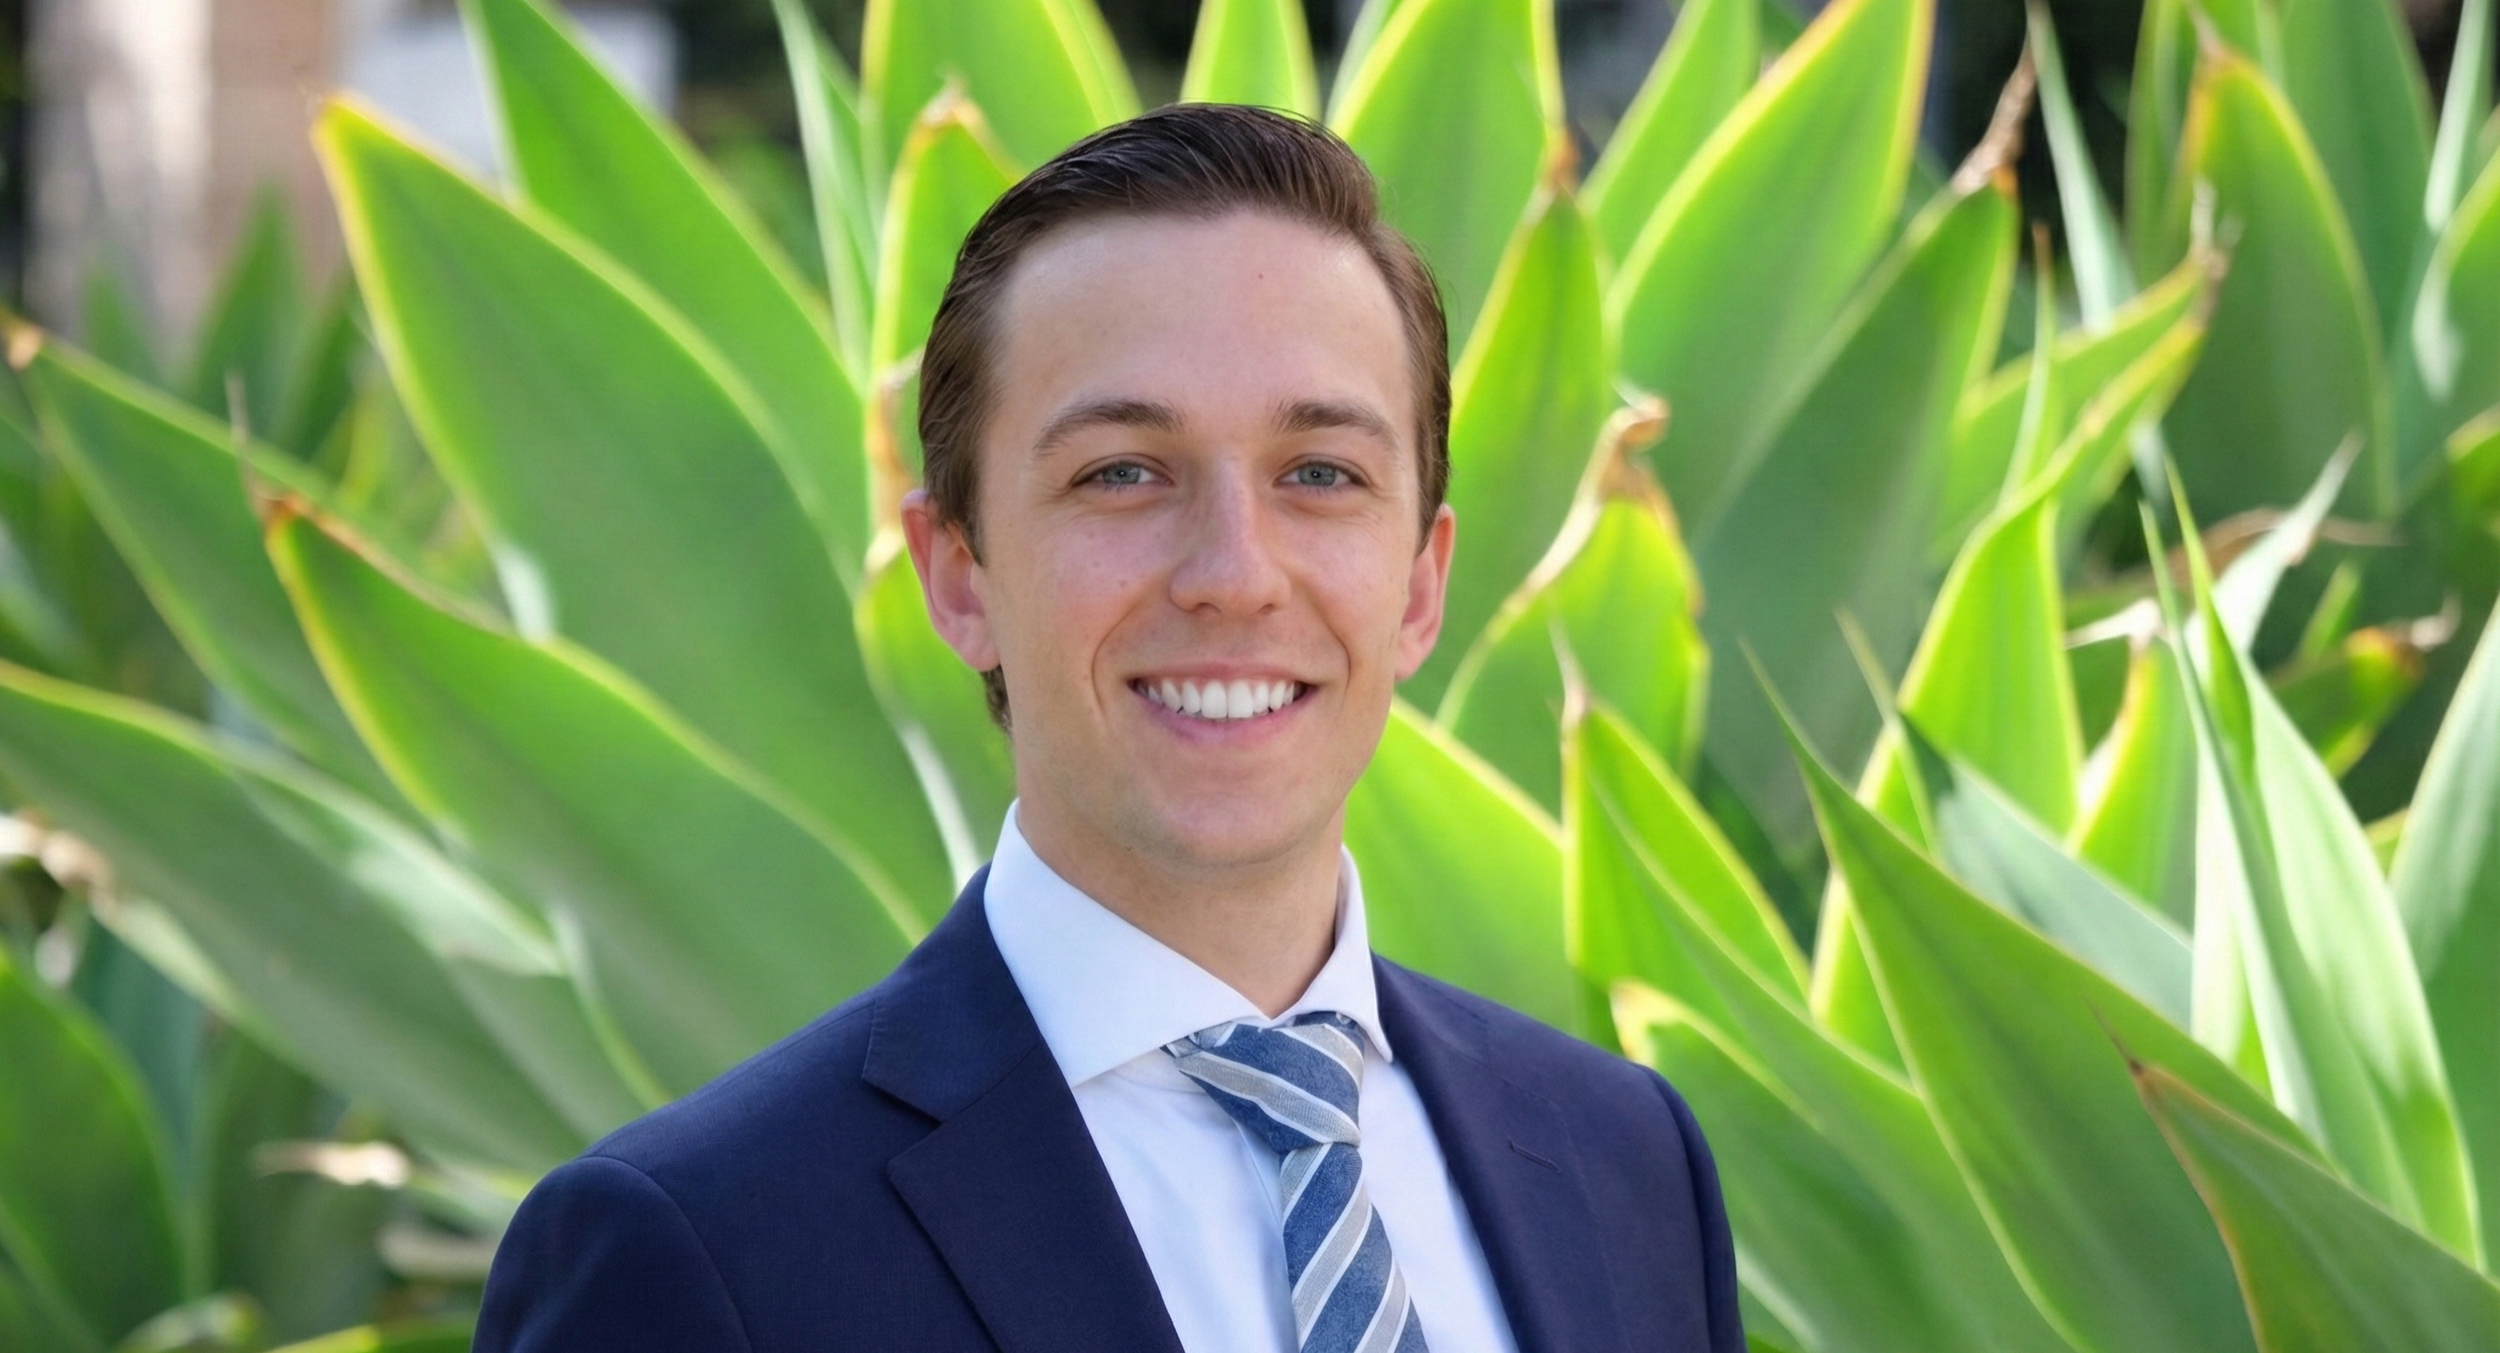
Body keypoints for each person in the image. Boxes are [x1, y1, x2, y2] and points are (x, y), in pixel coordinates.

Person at [473, 103, 1742, 1353]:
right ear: (958, 577)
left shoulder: (1629, 1164)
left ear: (1419, 584)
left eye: (1321, 474)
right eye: (1121, 473)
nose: (1233, 574)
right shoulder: (697, 1245)